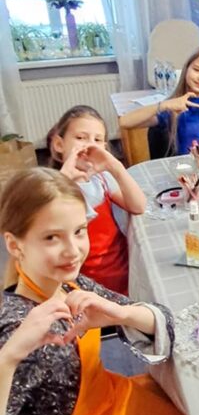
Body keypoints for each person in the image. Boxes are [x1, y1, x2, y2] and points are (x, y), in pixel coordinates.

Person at [0, 167, 199, 415]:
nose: (73, 250)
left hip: (116, 404)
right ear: (15, 245)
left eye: (79, 231)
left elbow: (164, 321)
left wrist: (120, 313)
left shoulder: (71, 285)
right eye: (52, 237)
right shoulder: (16, 328)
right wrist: (9, 357)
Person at [48, 105, 146, 295]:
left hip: (122, 274)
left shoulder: (101, 179)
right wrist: (65, 179)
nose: (89, 145)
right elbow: (44, 221)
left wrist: (115, 166)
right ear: (59, 144)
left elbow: (138, 205)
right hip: (80, 286)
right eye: (80, 138)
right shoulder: (52, 186)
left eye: (97, 140)